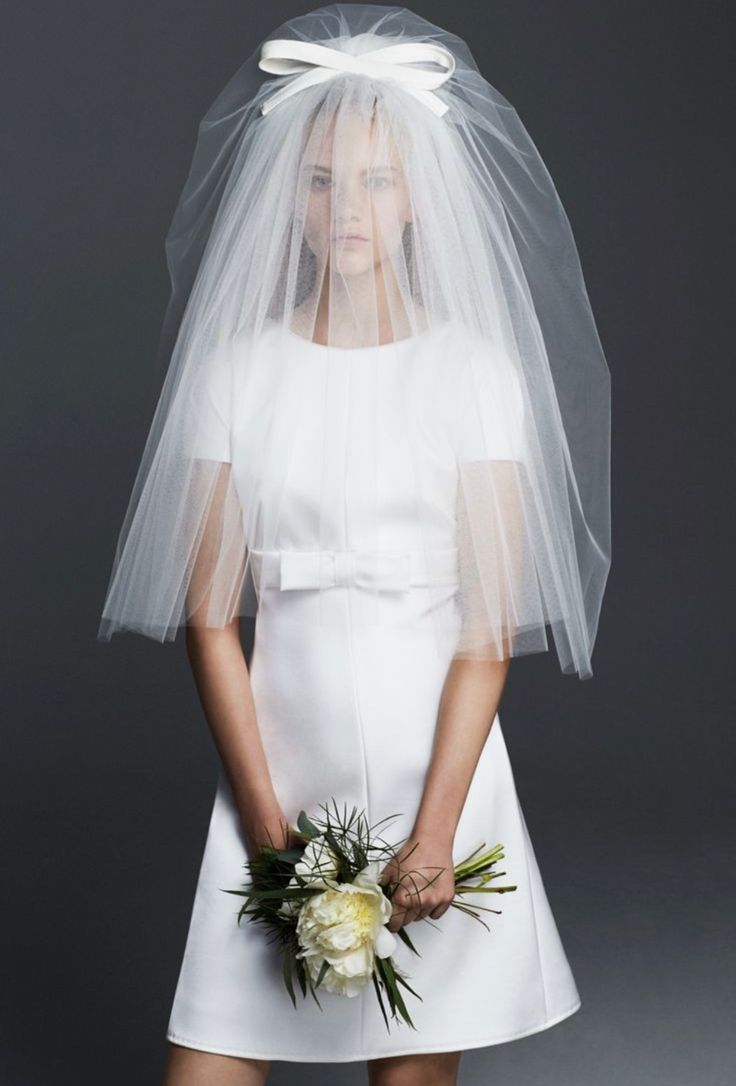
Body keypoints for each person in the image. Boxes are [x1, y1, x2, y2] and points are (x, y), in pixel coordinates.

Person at [97, 5, 611, 1084]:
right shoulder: (236, 372)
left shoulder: (476, 374)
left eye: (376, 181)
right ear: (290, 193)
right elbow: (207, 616)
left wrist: (433, 834)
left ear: (419, 197)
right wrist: (264, 819)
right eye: (323, 179)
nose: (347, 208)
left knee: (412, 1065)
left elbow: (484, 633)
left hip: (439, 778)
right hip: (275, 774)